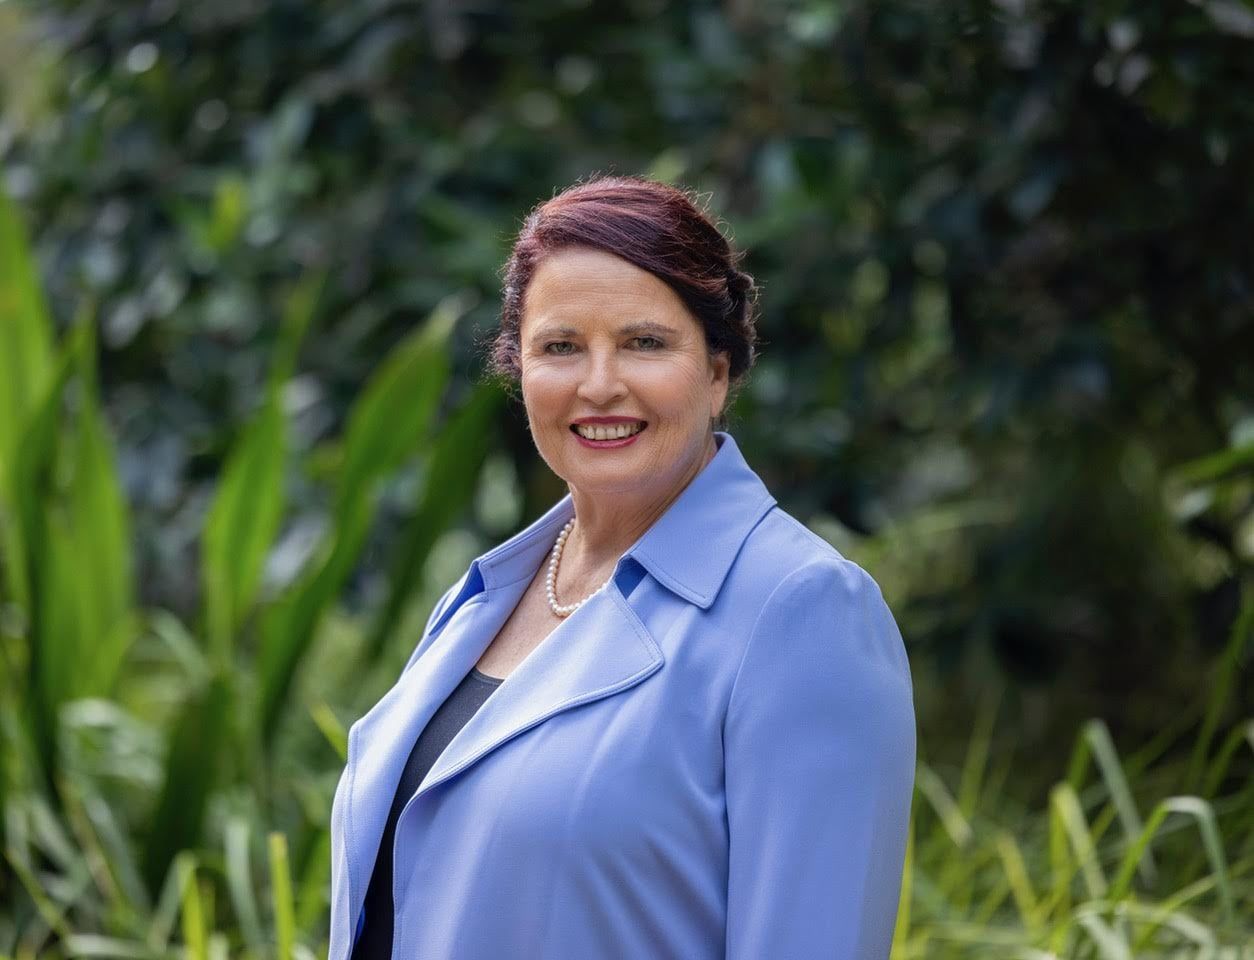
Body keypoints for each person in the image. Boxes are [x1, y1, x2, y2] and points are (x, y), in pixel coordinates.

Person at [327, 175, 916, 959]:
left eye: (644, 342)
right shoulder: (485, 597)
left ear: (717, 371)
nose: (599, 385)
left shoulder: (804, 610)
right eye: (561, 347)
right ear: (520, 370)